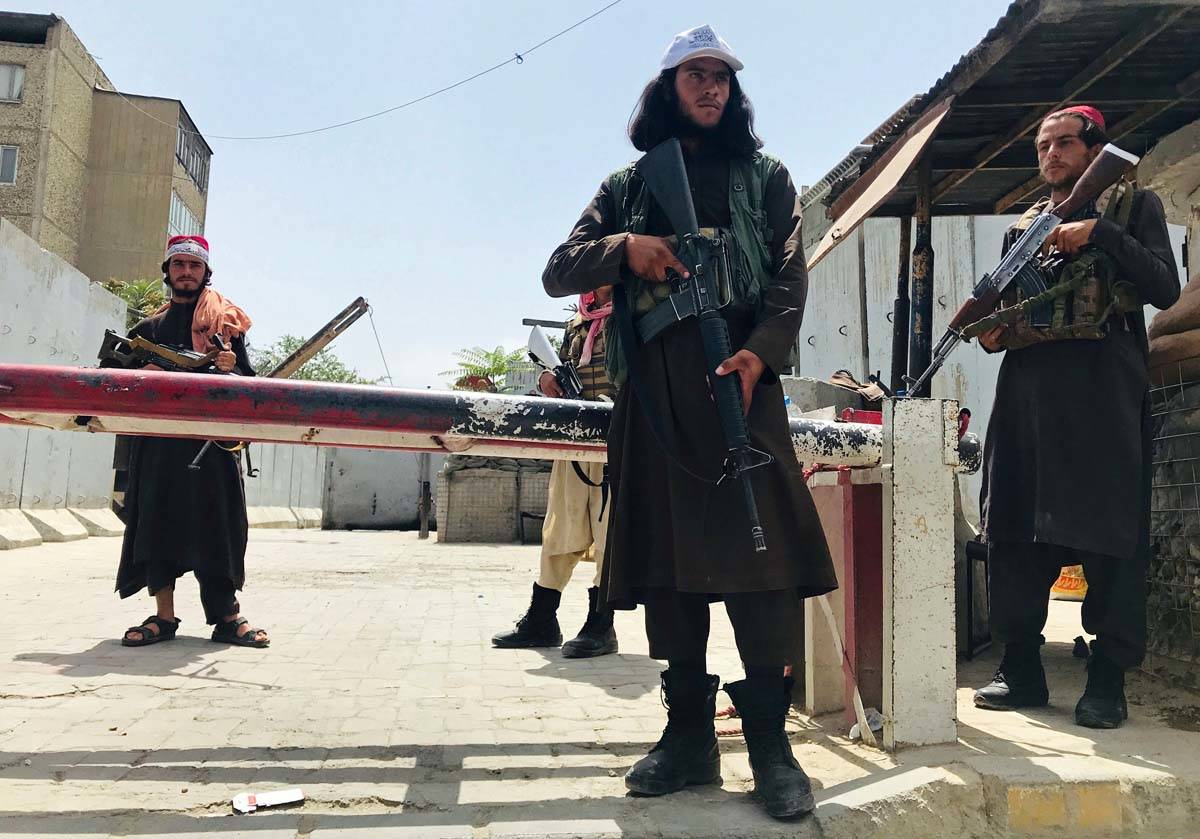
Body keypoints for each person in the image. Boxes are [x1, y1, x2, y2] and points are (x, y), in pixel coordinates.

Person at [541, 25, 836, 820]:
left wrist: (759, 355)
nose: (711, 87)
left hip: (742, 385)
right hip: (658, 396)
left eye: (722, 78)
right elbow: (558, 267)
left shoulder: (768, 177)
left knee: (763, 569)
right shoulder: (629, 187)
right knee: (671, 574)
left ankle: (772, 747)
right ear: (668, 89)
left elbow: (787, 276)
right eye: (694, 76)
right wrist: (627, 247)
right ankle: (687, 737)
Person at [973, 106, 1179, 728]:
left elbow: (1166, 289)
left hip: (1103, 398)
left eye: (1065, 142)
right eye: (1043, 146)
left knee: (1110, 535)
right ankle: (1021, 668)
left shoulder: (1133, 209)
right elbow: (1007, 314)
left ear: (1095, 149)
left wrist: (1099, 236)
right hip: (1027, 399)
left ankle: (1107, 679)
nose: (1052, 154)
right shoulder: (1023, 232)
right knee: (1010, 528)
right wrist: (989, 330)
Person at [112, 235, 269, 649]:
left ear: (205, 273)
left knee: (219, 530)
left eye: (193, 266)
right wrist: (140, 373)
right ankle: (163, 618)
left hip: (213, 448)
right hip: (159, 450)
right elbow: (111, 384)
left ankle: (226, 618)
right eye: (178, 265)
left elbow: (251, 389)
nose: (185, 273)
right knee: (156, 527)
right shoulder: (146, 330)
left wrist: (230, 368)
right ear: (168, 271)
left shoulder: (226, 331)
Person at [492, 286, 619, 658]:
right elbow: (560, 370)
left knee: (610, 529)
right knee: (559, 527)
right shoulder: (577, 323)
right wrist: (549, 381)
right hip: (574, 435)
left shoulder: (633, 313)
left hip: (618, 437)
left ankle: (602, 624)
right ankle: (542, 619)